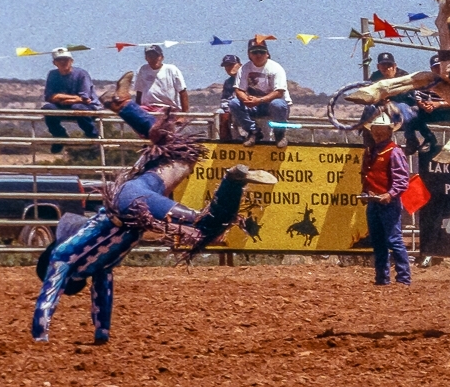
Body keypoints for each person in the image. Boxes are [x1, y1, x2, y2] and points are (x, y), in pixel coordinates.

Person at [31, 73, 276, 344]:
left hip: (132, 207)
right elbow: (102, 297)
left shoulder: (63, 258)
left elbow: (48, 296)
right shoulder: (99, 267)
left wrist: (40, 335)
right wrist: (102, 334)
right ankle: (122, 104)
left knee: (204, 225)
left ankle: (232, 180)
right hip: (131, 196)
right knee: (182, 152)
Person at [361, 112, 411, 286]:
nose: (378, 134)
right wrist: (365, 192)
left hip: (388, 202)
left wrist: (389, 194)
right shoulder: (371, 152)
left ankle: (403, 278)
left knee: (393, 239)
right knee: (379, 241)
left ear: (389, 132)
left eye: (381, 131)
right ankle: (382, 278)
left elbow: (402, 180)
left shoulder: (394, 151)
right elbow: (366, 176)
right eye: (376, 130)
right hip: (374, 201)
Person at [230, 38, 292, 147]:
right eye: (254, 52)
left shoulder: (276, 68)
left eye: (262, 51)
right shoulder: (244, 68)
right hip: (254, 105)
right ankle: (253, 132)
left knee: (277, 104)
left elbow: (279, 92)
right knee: (234, 103)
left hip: (272, 105)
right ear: (249, 54)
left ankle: (279, 134)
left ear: (267, 54)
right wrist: (246, 99)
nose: (258, 55)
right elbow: (239, 90)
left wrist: (259, 100)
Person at [41, 47, 102, 153]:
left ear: (71, 61)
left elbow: (85, 98)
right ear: (54, 63)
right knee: (47, 108)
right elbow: (49, 97)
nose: (63, 62)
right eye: (59, 60)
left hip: (87, 108)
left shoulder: (81, 74)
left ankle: (93, 136)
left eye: (66, 59)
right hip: (63, 106)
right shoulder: (53, 75)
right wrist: (73, 98)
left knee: (78, 107)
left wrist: (61, 97)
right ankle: (59, 135)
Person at [405, 53, 450, 157]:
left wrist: (439, 104)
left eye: (440, 66)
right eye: (435, 67)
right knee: (413, 114)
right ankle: (429, 139)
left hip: (449, 110)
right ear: (431, 68)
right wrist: (423, 105)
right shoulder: (426, 81)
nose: (438, 69)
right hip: (432, 112)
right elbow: (418, 97)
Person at [369, 51, 422, 152]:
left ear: (394, 66)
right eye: (383, 65)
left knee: (402, 108)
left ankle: (411, 140)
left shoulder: (404, 76)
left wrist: (390, 98)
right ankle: (369, 141)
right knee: (369, 109)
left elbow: (409, 96)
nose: (386, 68)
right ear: (378, 66)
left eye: (389, 65)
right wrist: (382, 100)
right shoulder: (375, 77)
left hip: (406, 107)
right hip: (384, 106)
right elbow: (369, 92)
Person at [134, 44, 189, 112]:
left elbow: (183, 92)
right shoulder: (142, 70)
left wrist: (184, 115)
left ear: (162, 57)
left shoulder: (172, 69)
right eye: (150, 56)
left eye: (156, 56)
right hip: (147, 108)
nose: (153, 59)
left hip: (168, 108)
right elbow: (139, 92)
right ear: (146, 58)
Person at [217, 54, 241, 142]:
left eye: (231, 65)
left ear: (239, 65)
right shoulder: (228, 82)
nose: (228, 68)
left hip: (245, 109)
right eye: (226, 66)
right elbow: (224, 100)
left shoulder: (246, 78)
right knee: (219, 113)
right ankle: (225, 140)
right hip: (230, 110)